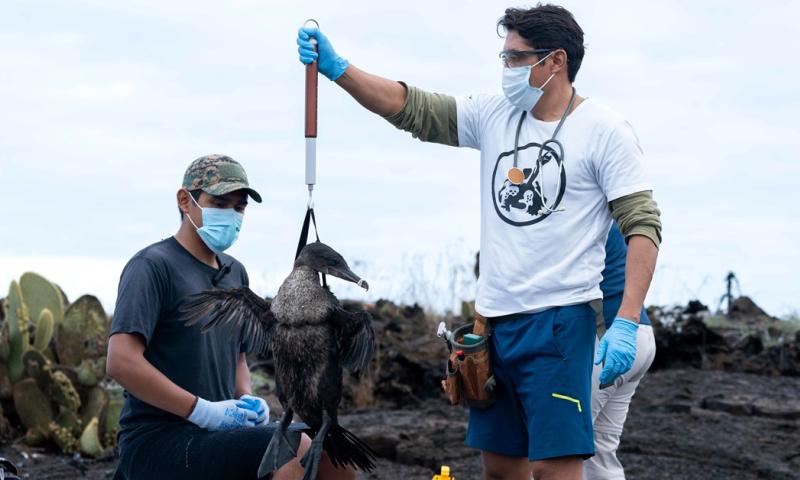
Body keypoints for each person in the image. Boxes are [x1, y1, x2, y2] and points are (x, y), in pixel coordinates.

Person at [296, 4, 662, 480]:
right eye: (503, 56)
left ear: (556, 60)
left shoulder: (606, 130)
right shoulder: (494, 112)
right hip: (493, 325)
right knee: (501, 469)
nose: (505, 67)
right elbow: (413, 108)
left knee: (554, 470)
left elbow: (642, 226)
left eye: (516, 57)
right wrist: (340, 70)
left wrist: (627, 321)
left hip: (560, 322)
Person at [106, 154, 354, 480]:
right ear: (185, 200)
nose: (231, 215)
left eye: (239, 207)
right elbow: (121, 362)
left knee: (335, 453)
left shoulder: (235, 273)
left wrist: (247, 398)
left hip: (216, 436)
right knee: (291, 450)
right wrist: (201, 410)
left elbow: (237, 357)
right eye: (219, 203)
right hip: (158, 440)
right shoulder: (152, 266)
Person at [585, 223, 657, 479]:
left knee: (557, 450)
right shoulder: (609, 219)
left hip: (604, 339)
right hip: (639, 334)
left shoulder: (579, 218)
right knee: (601, 450)